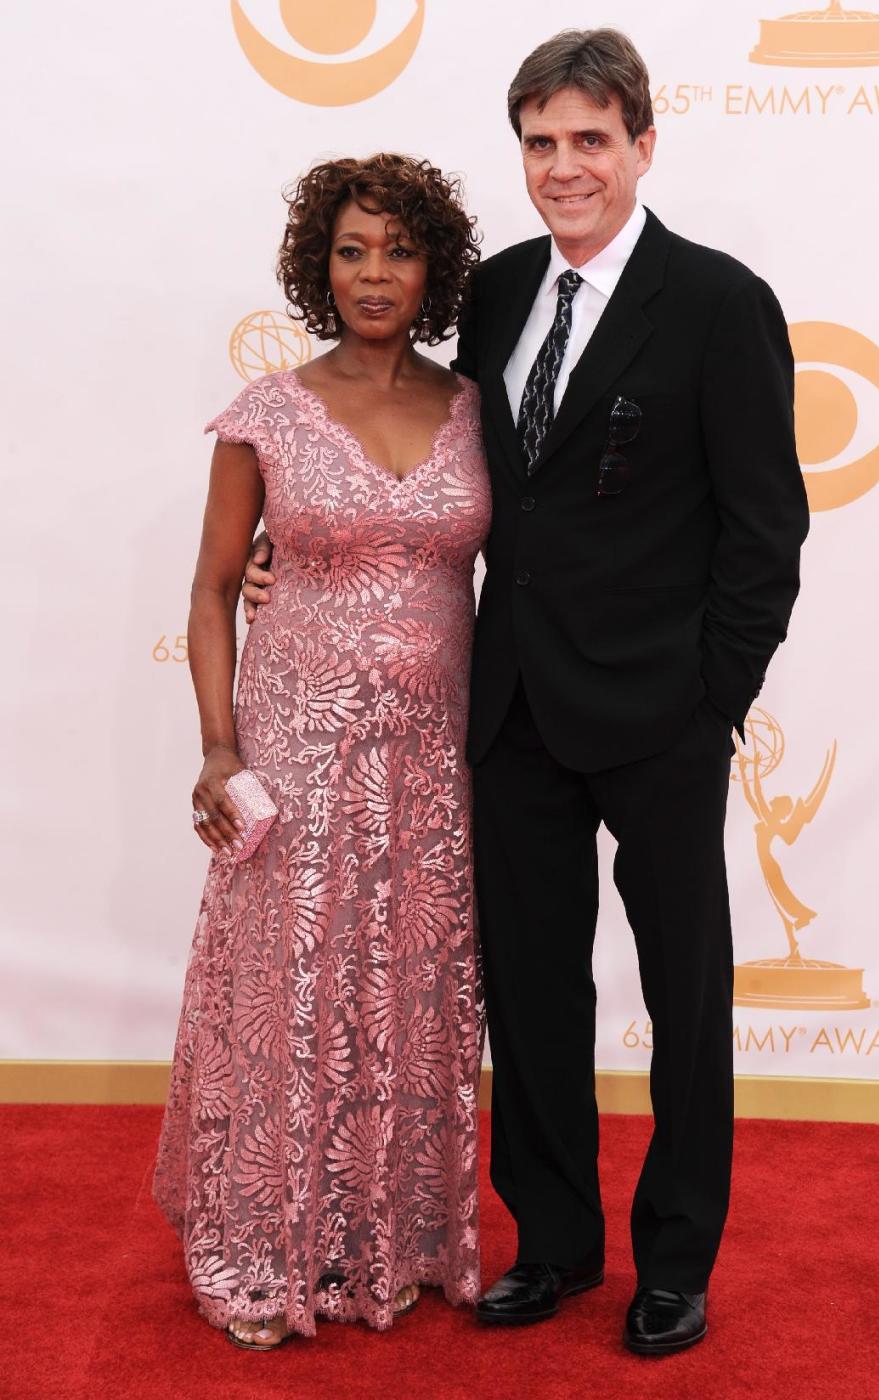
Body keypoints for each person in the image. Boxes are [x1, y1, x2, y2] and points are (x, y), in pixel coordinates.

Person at [243, 29, 810, 1356]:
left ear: (641, 146)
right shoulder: (491, 294)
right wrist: (296, 548)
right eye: (543, 144)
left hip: (662, 713)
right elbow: (411, 446)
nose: (566, 168)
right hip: (508, 714)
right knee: (535, 994)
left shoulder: (721, 303)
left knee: (687, 997)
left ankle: (676, 1260)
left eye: (591, 141)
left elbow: (764, 530)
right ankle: (554, 1243)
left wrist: (713, 697)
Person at [153, 153, 490, 1350]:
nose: (374, 273)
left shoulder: (475, 407)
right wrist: (214, 744)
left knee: (402, 988)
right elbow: (207, 590)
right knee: (291, 996)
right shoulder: (267, 412)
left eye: (397, 249)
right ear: (318, 266)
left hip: (432, 764)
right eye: (351, 250)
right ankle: (262, 1244)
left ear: (434, 266)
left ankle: (382, 1238)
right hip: (295, 749)